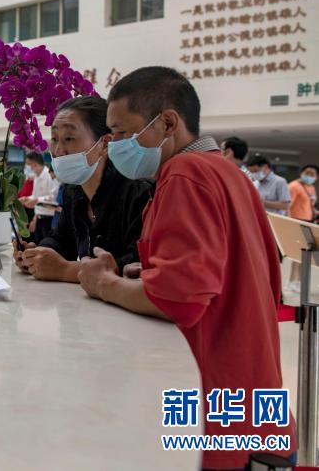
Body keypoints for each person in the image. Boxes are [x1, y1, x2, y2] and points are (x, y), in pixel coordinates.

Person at [76, 66, 295, 469]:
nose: (115, 145)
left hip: (219, 414)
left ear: (168, 123)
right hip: (257, 404)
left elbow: (179, 298)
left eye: (122, 133)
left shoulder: (185, 173)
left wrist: (102, 283)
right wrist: (146, 274)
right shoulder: (227, 172)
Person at [17, 97, 153, 283]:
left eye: (69, 138)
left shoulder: (139, 194)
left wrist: (65, 270)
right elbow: (61, 241)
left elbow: (137, 266)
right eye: (55, 139)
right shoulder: (73, 192)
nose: (58, 150)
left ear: (104, 144)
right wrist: (37, 255)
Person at [19, 153, 59, 242]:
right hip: (38, 216)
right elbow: (35, 195)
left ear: (35, 164)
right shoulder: (37, 177)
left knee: (47, 244)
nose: (27, 167)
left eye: (28, 164)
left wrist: (37, 200)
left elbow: (53, 197)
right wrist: (26, 198)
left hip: (49, 218)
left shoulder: (49, 175)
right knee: (38, 243)